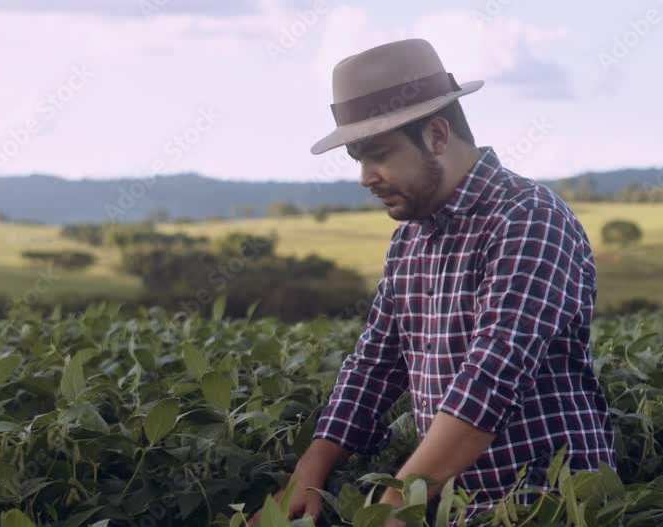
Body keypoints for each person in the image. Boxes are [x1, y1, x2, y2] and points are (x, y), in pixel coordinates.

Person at [250, 38, 614, 526]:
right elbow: (375, 365)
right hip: (447, 505)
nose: (365, 177)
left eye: (377, 154)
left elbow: (493, 376)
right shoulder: (410, 241)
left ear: (438, 134)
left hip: (546, 504)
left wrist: (397, 502)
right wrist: (309, 470)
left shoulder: (527, 218)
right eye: (357, 158)